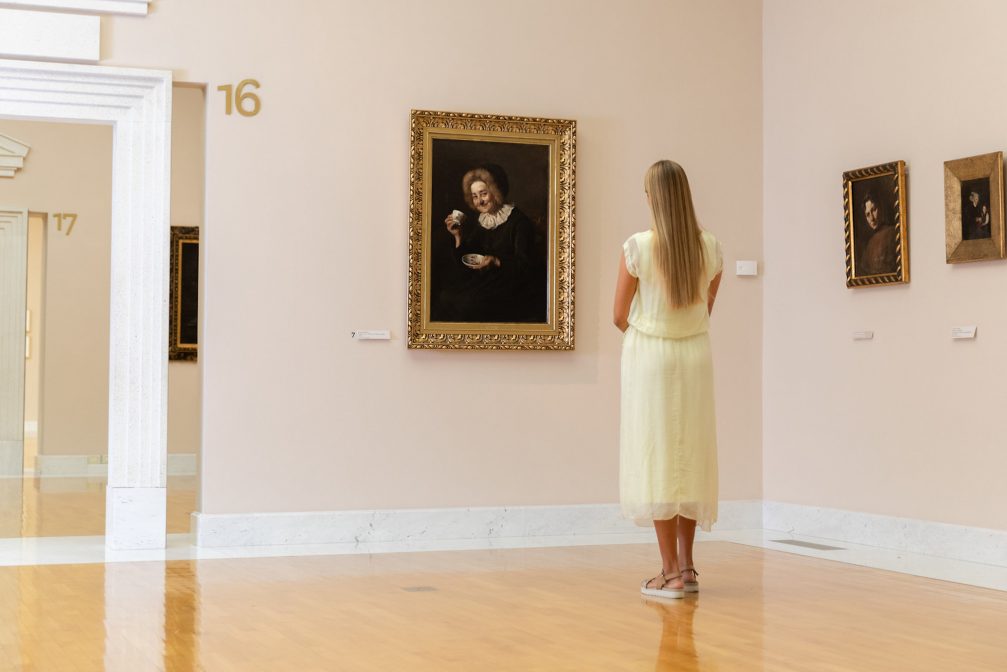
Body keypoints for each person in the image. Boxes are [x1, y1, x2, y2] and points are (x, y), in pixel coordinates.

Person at [613, 160, 723, 600]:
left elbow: (619, 316)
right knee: (690, 455)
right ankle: (690, 568)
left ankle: (669, 572)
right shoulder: (710, 248)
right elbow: (705, 309)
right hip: (694, 354)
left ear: (653, 198)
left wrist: (650, 335)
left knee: (657, 456)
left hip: (651, 357)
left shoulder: (638, 247)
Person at [436, 164, 546, 323]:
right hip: (486, 281)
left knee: (466, 304)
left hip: (512, 287)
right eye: (474, 196)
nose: (479, 201)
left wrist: (497, 261)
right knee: (445, 296)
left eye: (483, 194)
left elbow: (526, 266)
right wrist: (458, 236)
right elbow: (467, 259)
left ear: (496, 191)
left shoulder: (519, 222)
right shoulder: (482, 220)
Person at [857, 193, 897, 275]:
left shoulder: (893, 233)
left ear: (881, 208)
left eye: (874, 210)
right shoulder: (869, 244)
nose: (872, 218)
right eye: (868, 214)